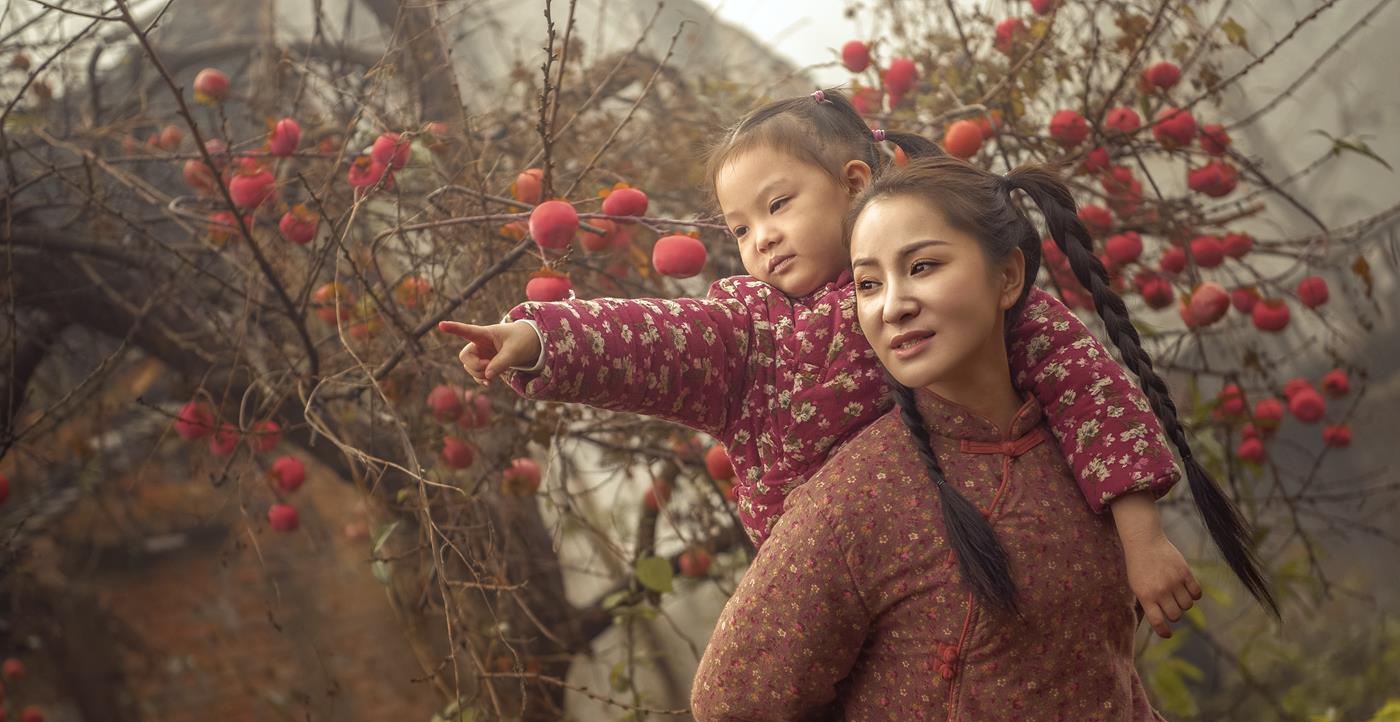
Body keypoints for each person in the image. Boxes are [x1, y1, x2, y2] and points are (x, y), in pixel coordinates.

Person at [690, 155, 1276, 722]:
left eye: (923, 267)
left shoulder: (1079, 445)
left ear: (1008, 279)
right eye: (867, 284)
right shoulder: (857, 498)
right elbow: (735, 702)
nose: (892, 306)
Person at [440, 89, 1204, 635]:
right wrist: (538, 338)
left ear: (854, 185)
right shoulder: (749, 328)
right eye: (738, 228)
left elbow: (1087, 390)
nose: (761, 239)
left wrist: (1141, 539)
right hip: (844, 598)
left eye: (778, 206)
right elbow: (654, 335)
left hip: (989, 547)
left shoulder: (949, 289)